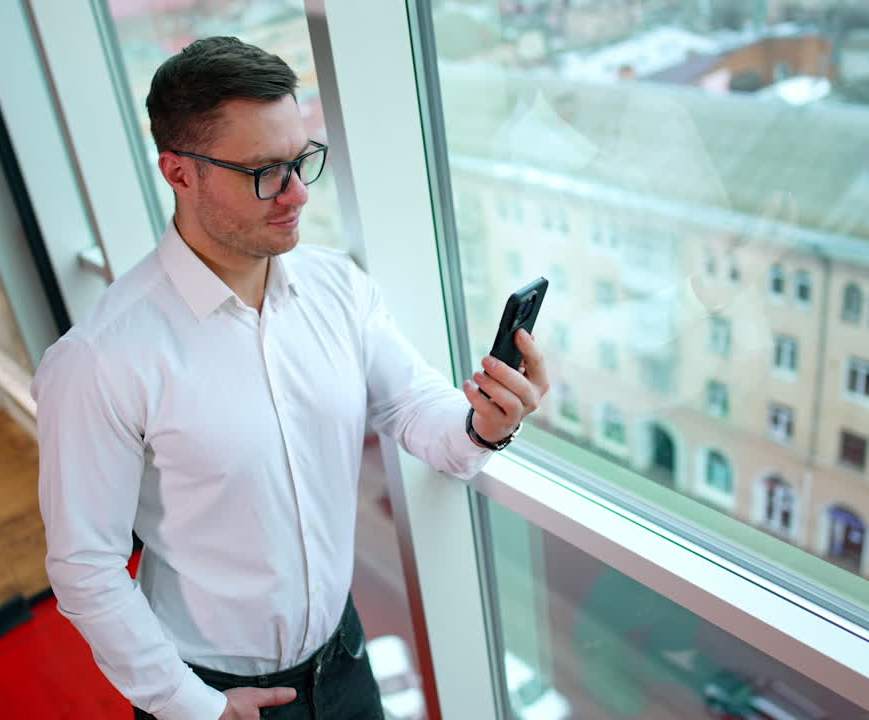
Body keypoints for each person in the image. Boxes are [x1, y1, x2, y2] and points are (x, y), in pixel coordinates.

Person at [32, 37, 550, 720]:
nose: (298, 193)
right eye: (265, 172)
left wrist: (483, 423)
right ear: (179, 173)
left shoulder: (338, 287)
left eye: (302, 160)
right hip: (212, 693)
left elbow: (411, 406)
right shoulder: (100, 359)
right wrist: (191, 705)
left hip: (346, 661)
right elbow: (85, 566)